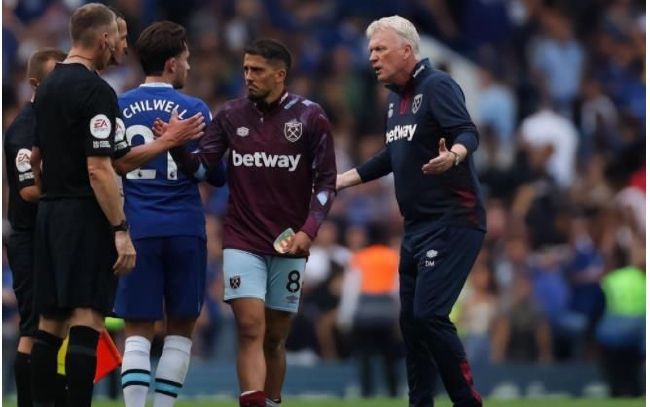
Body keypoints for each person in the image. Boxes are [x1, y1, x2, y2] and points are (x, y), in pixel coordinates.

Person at [163, 39, 337, 407]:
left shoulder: (311, 117)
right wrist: (176, 145)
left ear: (279, 74)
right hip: (241, 239)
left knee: (274, 337)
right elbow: (202, 169)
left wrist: (308, 231)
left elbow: (326, 182)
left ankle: (271, 401)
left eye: (256, 70)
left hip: (290, 242)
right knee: (249, 328)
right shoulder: (230, 115)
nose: (248, 77)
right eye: (245, 69)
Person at [337, 16, 485, 407]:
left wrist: (453, 156)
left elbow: (467, 131)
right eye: (370, 50)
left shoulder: (438, 85)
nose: (372, 57)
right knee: (411, 325)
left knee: (429, 315)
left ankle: (467, 401)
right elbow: (392, 154)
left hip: (454, 219)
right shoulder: (394, 99)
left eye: (380, 49)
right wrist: (342, 180)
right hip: (417, 226)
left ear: (407, 50)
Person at [112, 21, 223, 407]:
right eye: (188, 59)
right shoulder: (194, 109)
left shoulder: (119, 105)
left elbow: (109, 167)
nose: (190, 67)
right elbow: (214, 174)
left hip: (137, 228)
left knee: (138, 331)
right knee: (180, 330)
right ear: (173, 64)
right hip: (185, 229)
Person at [29, 4, 135, 407]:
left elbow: (34, 158)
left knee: (50, 322)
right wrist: (120, 228)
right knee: (87, 317)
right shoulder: (96, 91)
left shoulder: (47, 87)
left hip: (49, 214)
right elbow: (99, 169)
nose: (119, 49)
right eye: (118, 40)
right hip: (82, 213)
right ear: (104, 38)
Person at [4, 47, 66, 407]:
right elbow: (28, 190)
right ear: (34, 83)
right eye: (55, 78)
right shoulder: (23, 129)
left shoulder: (52, 121)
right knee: (33, 327)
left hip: (51, 237)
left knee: (55, 326)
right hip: (30, 240)